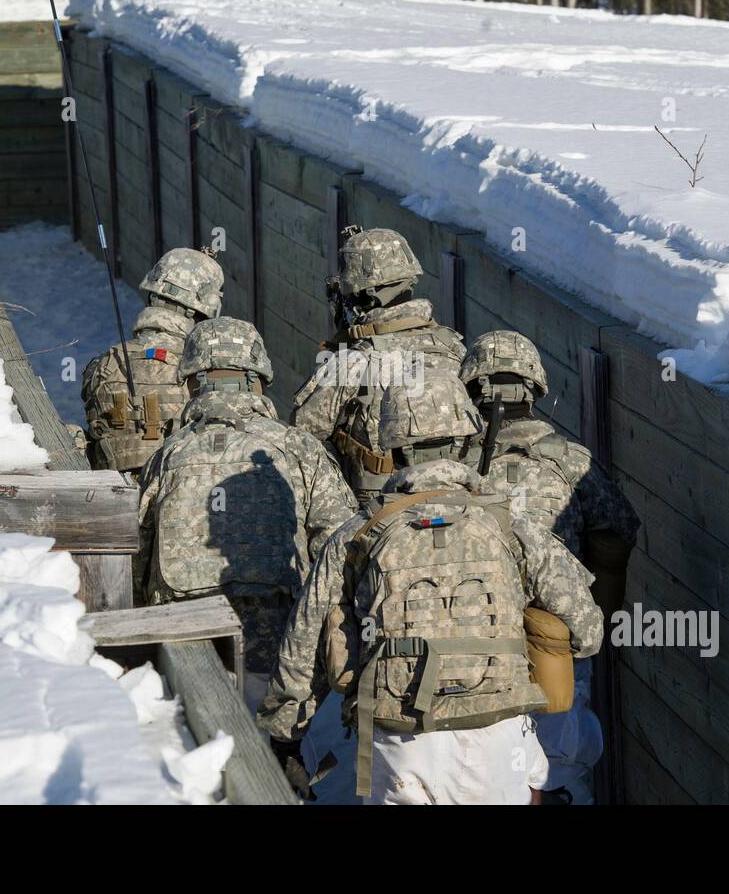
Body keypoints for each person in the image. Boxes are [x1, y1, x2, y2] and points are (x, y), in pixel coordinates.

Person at [258, 373, 603, 805]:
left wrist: (284, 732)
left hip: (401, 740)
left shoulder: (356, 534)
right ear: (465, 443)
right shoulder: (512, 527)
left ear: (395, 449)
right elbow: (588, 629)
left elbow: (304, 646)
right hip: (497, 734)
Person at [136, 317, 357, 710]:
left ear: (191, 382)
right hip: (279, 652)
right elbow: (341, 548)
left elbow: (136, 552)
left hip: (184, 644)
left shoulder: (167, 456)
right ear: (257, 380)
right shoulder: (299, 448)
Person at [458, 329, 640, 803]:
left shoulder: (455, 463)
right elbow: (620, 528)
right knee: (560, 762)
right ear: (535, 389)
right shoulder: (570, 462)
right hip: (557, 634)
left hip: (475, 636)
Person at [293, 227, 466, 505]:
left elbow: (301, 439)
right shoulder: (455, 348)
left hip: (374, 516)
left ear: (364, 297)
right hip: (460, 509)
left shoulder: (351, 362)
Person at [80, 247, 224, 475]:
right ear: (205, 309)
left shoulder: (103, 364)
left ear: (151, 294)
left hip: (112, 495)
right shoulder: (202, 370)